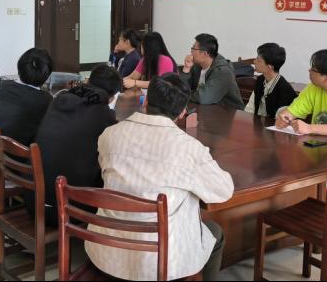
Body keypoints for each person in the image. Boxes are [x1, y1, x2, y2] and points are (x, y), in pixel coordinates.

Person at [87, 73, 233, 281]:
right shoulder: (188, 148)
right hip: (158, 263)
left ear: (145, 101)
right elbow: (223, 191)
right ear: (182, 112)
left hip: (107, 250)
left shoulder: (109, 134)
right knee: (214, 233)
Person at [33, 64, 122, 225]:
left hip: (34, 200)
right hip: (67, 211)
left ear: (89, 81)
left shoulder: (59, 100)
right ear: (112, 97)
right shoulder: (104, 116)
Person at [0, 48, 54, 187]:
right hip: (12, 177)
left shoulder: (3, 86)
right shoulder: (45, 100)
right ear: (47, 76)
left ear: (19, 68)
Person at [180, 33, 244, 109]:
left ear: (204, 54)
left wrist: (183, 94)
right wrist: (186, 69)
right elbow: (181, 88)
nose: (191, 51)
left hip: (230, 113)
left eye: (193, 49)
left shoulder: (223, 72)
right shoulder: (197, 65)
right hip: (206, 109)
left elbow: (203, 98)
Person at [244, 43, 298, 119]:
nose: (254, 61)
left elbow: (280, 119)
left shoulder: (285, 90)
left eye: (258, 60)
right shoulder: (260, 79)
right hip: (257, 122)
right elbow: (250, 108)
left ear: (269, 67)